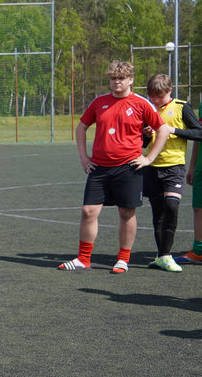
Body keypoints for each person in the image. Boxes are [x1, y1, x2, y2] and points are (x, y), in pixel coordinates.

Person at [57, 61, 171, 273]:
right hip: (99, 168)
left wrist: (149, 158)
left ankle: (123, 260)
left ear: (131, 80)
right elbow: (81, 127)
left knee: (126, 213)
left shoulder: (141, 103)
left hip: (129, 167)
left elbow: (162, 130)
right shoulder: (99, 102)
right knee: (88, 211)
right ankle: (83, 259)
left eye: (121, 78)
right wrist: (83, 157)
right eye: (113, 78)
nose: (116, 82)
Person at [140, 74, 202, 272]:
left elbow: (200, 133)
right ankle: (163, 256)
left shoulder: (182, 107)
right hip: (151, 167)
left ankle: (165, 255)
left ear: (170, 91)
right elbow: (141, 143)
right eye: (152, 96)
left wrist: (173, 130)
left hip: (174, 167)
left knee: (171, 206)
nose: (155, 100)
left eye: (159, 96)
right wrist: (145, 135)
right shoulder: (147, 109)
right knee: (158, 214)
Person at [176, 96, 202, 265]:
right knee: (199, 208)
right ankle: (199, 251)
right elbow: (200, 137)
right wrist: (192, 166)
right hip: (201, 166)